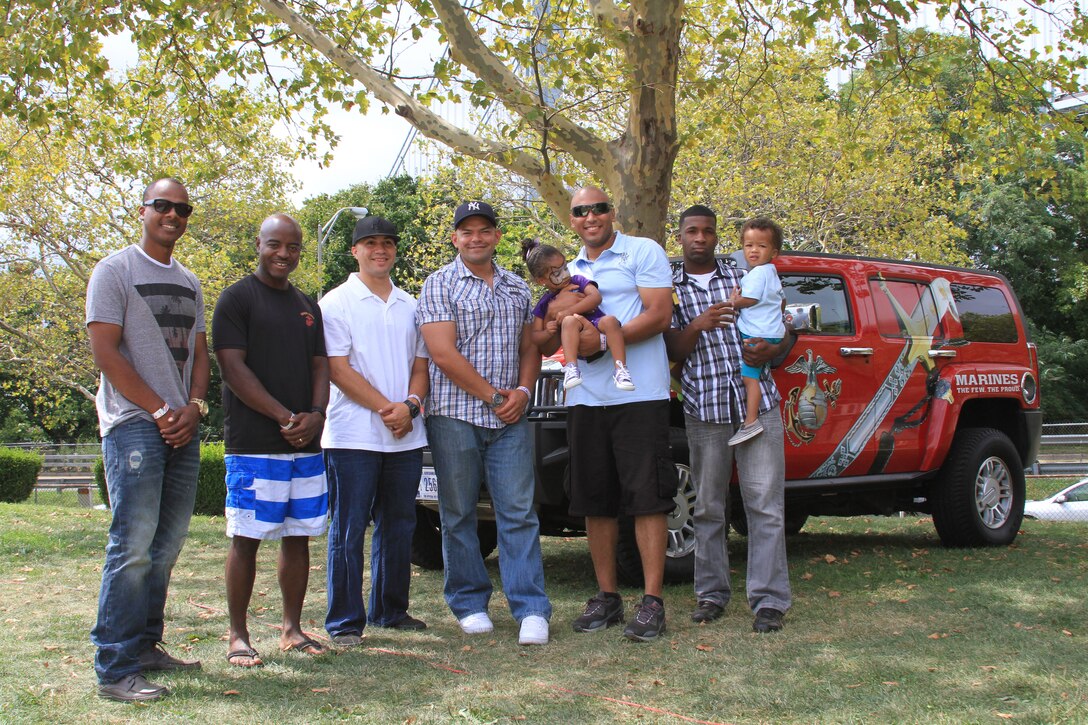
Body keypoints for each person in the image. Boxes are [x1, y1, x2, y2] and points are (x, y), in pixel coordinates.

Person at [86, 177, 210, 701]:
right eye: (163, 205)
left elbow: (200, 353)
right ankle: (114, 667)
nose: (173, 215)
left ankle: (145, 646)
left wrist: (194, 407)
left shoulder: (189, 280)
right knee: (132, 545)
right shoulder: (113, 271)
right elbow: (106, 353)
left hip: (181, 423)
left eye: (182, 208)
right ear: (143, 210)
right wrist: (159, 408)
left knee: (166, 544)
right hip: (135, 423)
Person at [416, 201, 552, 646]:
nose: (476, 238)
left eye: (484, 230)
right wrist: (494, 396)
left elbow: (529, 346)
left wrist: (523, 393)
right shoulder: (438, 284)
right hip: (455, 415)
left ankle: (530, 607)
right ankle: (469, 602)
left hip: (510, 417)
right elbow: (442, 353)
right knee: (458, 514)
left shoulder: (516, 287)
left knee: (518, 511)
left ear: (496, 236)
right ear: (455, 238)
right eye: (466, 232)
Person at [554, 186, 677, 643]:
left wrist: (605, 341)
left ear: (612, 212)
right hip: (585, 397)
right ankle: (607, 597)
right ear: (572, 221)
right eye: (580, 212)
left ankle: (652, 602)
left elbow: (660, 314)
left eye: (598, 208)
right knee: (594, 499)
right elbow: (555, 327)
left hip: (639, 394)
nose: (590, 217)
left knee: (648, 497)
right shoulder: (569, 271)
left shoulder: (642, 251)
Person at [664, 205, 793, 634]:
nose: (700, 238)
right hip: (706, 409)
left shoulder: (749, 273)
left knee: (765, 507)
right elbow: (671, 350)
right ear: (680, 236)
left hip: (756, 405)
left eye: (708, 231)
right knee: (709, 508)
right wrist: (698, 324)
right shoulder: (669, 287)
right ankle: (711, 595)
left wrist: (774, 349)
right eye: (692, 231)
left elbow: (785, 325)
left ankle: (769, 601)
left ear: (718, 237)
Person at [212, 213, 330, 667]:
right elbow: (232, 368)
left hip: (305, 444)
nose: (285, 254)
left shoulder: (307, 305)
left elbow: (321, 365)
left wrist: (316, 416)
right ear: (258, 243)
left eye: (294, 247)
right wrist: (285, 416)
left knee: (298, 537)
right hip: (254, 441)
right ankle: (238, 636)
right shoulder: (237, 299)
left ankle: (291, 630)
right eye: (275, 245)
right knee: (246, 537)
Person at [319, 216, 430, 646]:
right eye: (370, 243)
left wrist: (411, 406)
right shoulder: (336, 302)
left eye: (387, 242)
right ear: (355, 251)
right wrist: (390, 408)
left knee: (399, 525)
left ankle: (390, 609)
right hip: (352, 436)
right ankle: (345, 622)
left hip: (405, 435)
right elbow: (337, 368)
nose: (379, 250)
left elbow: (421, 366)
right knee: (348, 529)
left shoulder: (411, 304)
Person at [521, 239, 635, 392]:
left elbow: (595, 297)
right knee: (569, 322)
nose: (566, 275)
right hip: (575, 331)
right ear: (541, 280)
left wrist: (569, 310)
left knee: (611, 321)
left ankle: (621, 369)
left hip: (596, 320)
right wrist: (548, 331)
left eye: (565, 268)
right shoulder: (544, 304)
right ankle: (571, 367)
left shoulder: (578, 281)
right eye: (557, 273)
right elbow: (535, 336)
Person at [727, 217, 786, 446]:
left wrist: (733, 302)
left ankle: (750, 422)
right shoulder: (771, 273)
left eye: (761, 246)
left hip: (756, 335)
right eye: (749, 245)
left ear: (774, 252)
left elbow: (750, 299)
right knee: (753, 375)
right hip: (771, 331)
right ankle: (750, 420)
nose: (754, 251)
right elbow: (781, 303)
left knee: (749, 378)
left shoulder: (758, 273)